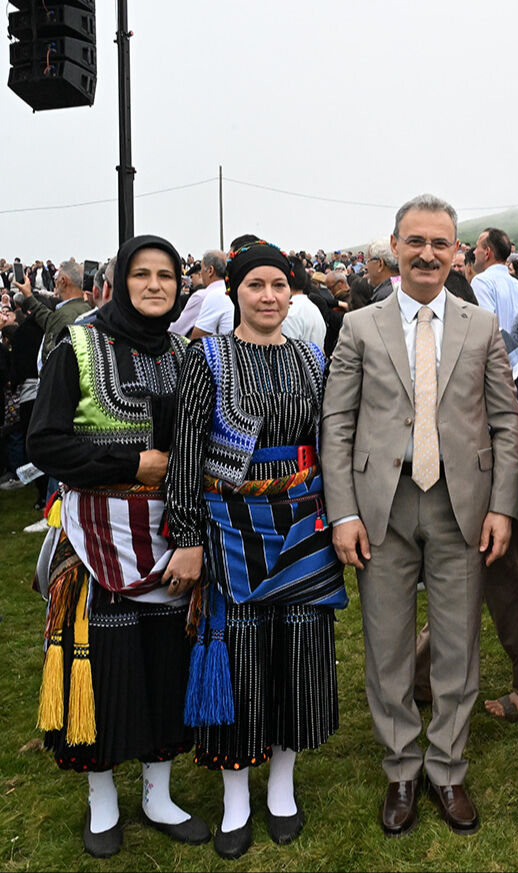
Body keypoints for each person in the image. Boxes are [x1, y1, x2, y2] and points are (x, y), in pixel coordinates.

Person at [321, 194, 518, 838]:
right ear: (394, 246)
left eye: (440, 243)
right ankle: (402, 767)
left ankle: (447, 768)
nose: (428, 254)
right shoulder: (359, 327)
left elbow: (505, 423)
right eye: (416, 242)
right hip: (381, 504)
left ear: (457, 251)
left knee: (458, 646)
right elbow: (337, 424)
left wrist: (502, 506)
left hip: (461, 505)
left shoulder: (482, 325)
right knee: (386, 646)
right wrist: (343, 512)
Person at [166, 240, 348, 859]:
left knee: (298, 648)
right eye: (255, 285)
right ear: (234, 291)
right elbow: (187, 453)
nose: (269, 296)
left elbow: (331, 439)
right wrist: (188, 537)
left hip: (303, 520)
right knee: (238, 654)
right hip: (229, 524)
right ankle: (236, 796)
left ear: (292, 293)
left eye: (278, 285)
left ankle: (282, 787)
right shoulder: (207, 358)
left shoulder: (310, 357)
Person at [27, 235, 206, 858]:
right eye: (142, 274)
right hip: (96, 538)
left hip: (173, 534)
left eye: (167, 275)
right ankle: (101, 798)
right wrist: (131, 463)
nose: (155, 285)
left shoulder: (185, 353)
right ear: (119, 281)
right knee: (102, 666)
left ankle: (159, 793)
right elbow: (45, 443)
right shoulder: (76, 347)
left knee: (164, 664)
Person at [471, 228, 518, 333]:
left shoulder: (481, 282)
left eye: (477, 247)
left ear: (487, 252)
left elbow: (484, 330)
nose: (474, 252)